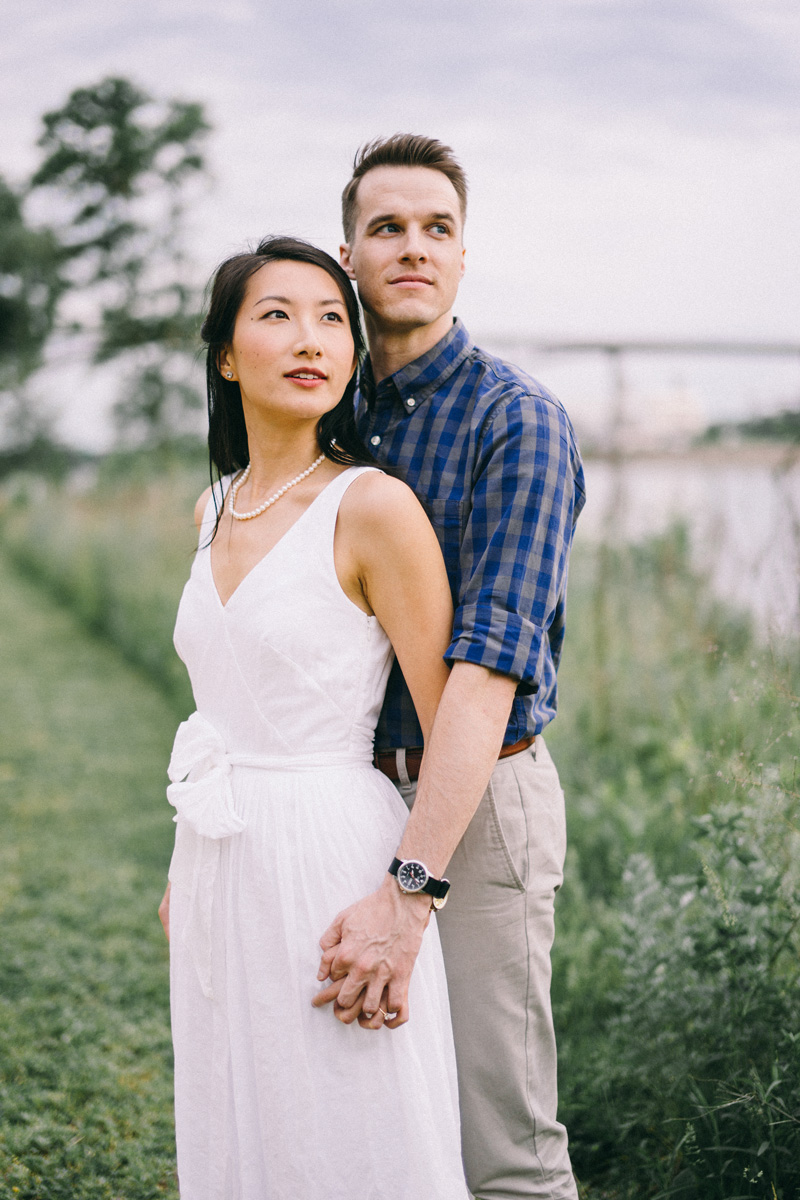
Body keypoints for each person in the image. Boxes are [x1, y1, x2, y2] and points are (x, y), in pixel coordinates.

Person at [157, 235, 471, 1199]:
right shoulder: (215, 505)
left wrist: (406, 897)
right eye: (278, 315)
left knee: (349, 1126)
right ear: (224, 354)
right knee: (242, 1113)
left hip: (332, 855)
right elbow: (224, 704)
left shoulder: (373, 507)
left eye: (333, 318)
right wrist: (185, 864)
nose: (312, 339)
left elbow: (454, 720)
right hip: (221, 858)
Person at [312, 136, 586, 1200]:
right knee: (377, 1112)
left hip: (472, 792)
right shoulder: (340, 419)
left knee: (499, 1147)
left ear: (464, 256)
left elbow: (482, 677)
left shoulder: (513, 423)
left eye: (436, 229)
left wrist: (410, 889)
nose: (412, 248)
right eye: (387, 228)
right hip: (348, 788)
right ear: (350, 255)